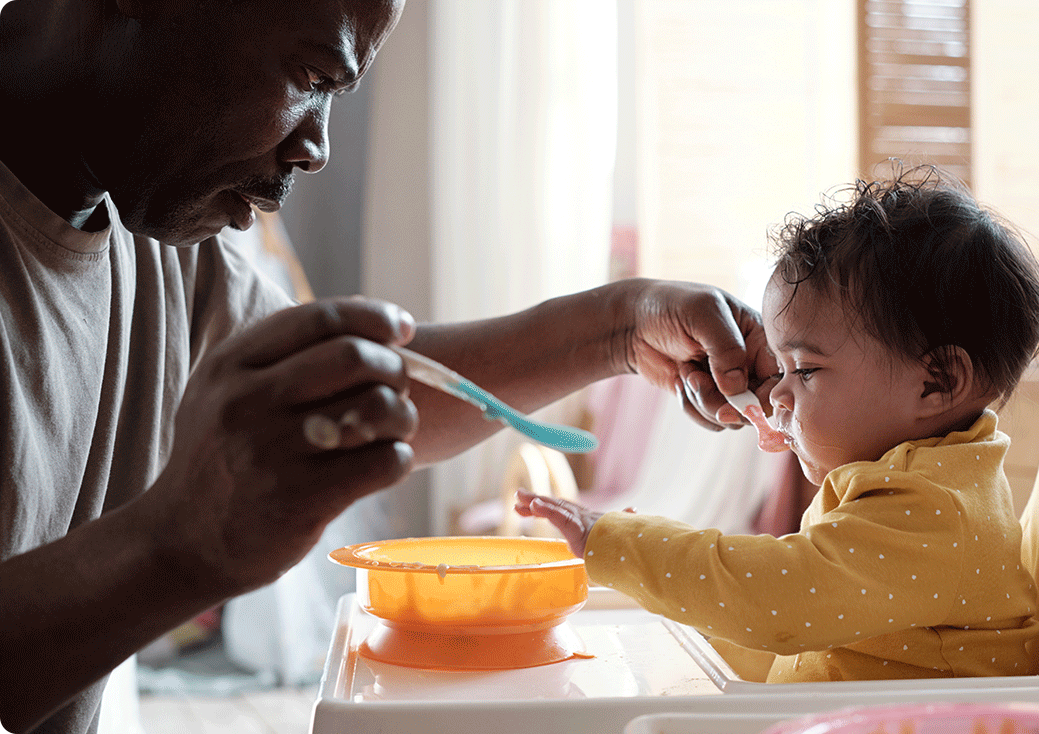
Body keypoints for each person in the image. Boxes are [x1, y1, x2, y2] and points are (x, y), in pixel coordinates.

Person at [0, 2, 778, 733]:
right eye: (310, 77)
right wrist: (178, 544)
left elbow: (363, 390)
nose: (318, 147)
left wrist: (617, 327)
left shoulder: (165, 242)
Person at [518, 170, 1039, 684]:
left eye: (804, 370)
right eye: (779, 368)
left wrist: (616, 543)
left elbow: (774, 603)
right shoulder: (921, 484)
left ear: (936, 382)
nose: (776, 393)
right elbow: (802, 641)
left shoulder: (933, 513)